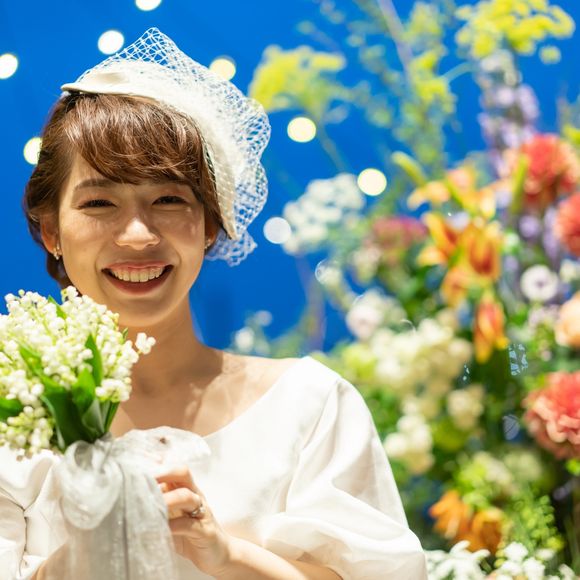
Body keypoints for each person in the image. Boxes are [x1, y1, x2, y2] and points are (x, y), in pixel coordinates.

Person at [0, 28, 427, 579]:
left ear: (209, 225)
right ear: (51, 231)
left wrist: (225, 554)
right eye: (100, 202)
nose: (137, 235)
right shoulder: (12, 420)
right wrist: (91, 548)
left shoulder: (309, 405)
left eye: (168, 199)